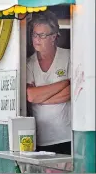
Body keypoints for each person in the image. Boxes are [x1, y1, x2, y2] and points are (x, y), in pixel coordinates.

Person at [26, 10, 71, 154]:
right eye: (34, 34)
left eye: (42, 35)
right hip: (41, 139)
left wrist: (41, 97)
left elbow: (70, 93)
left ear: (53, 37)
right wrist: (64, 83)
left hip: (67, 137)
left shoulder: (68, 56)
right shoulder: (28, 64)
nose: (36, 39)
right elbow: (31, 96)